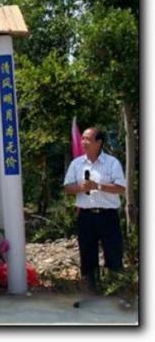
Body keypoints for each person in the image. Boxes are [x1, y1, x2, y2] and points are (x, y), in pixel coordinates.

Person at [63, 127, 126, 306]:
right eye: (82, 138)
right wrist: (80, 188)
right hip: (86, 217)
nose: (83, 142)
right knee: (87, 255)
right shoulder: (77, 164)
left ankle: (117, 294)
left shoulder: (112, 163)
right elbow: (67, 187)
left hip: (108, 216)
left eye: (87, 139)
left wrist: (97, 186)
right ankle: (90, 294)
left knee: (113, 254)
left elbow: (121, 188)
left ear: (99, 142)